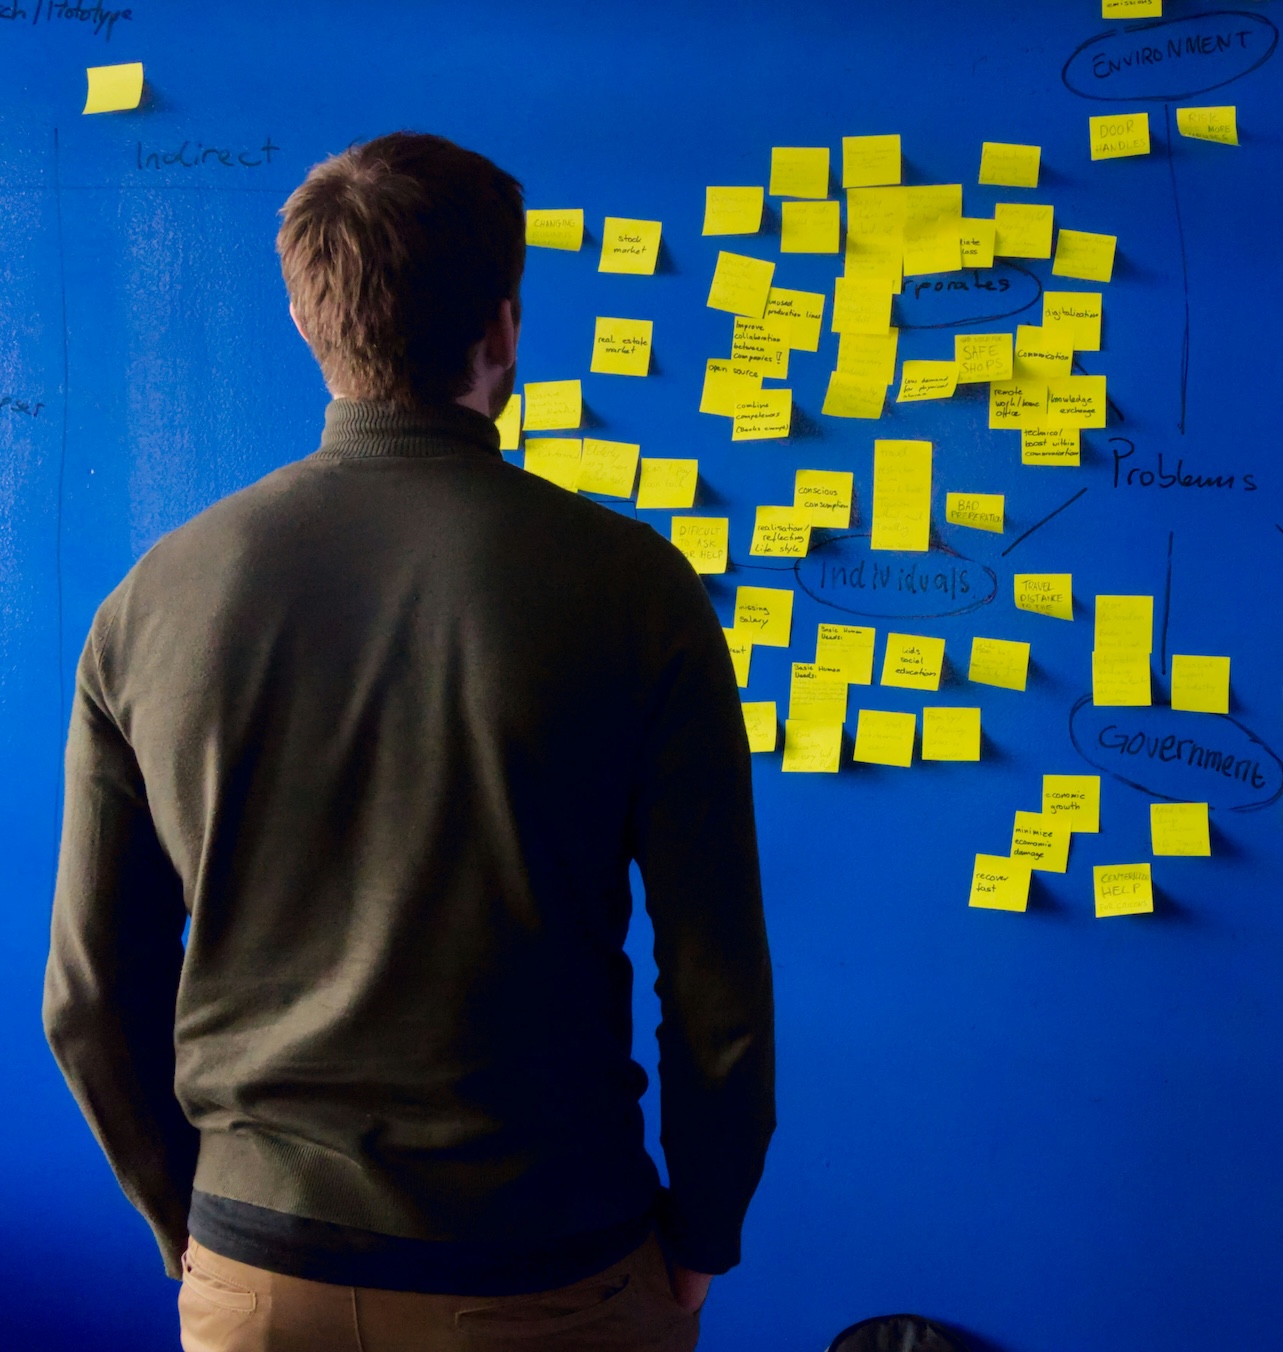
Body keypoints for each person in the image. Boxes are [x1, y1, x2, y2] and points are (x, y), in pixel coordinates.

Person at [44, 131, 774, 1352]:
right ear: (503, 330)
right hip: (550, 1272)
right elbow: (718, 991)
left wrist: (200, 1229)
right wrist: (704, 1229)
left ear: (307, 324)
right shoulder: (636, 589)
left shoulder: (152, 600)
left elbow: (87, 994)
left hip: (255, 1269)